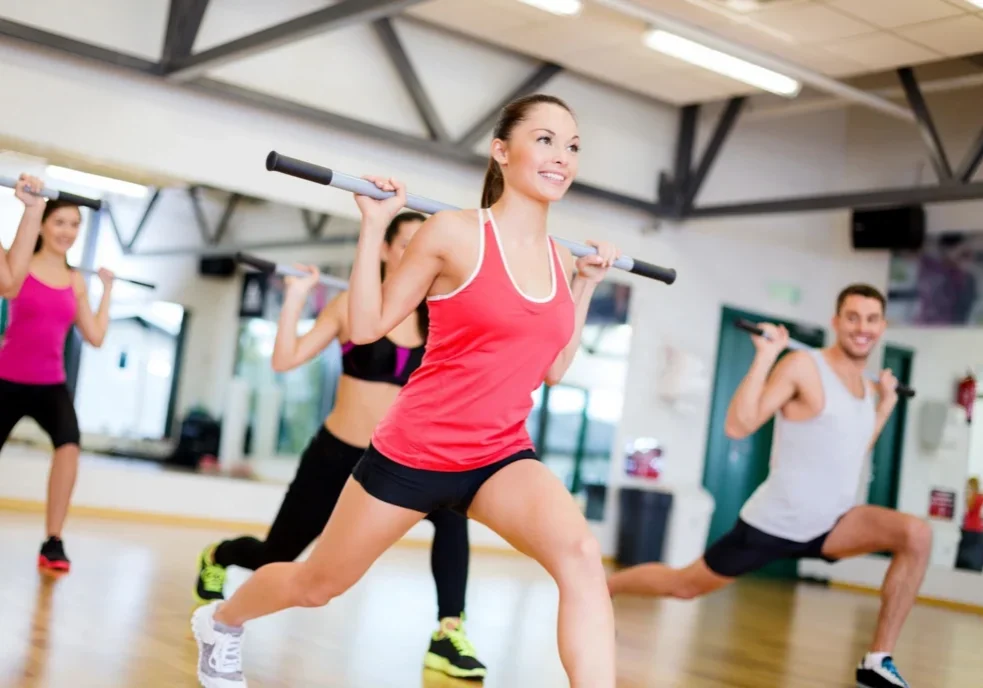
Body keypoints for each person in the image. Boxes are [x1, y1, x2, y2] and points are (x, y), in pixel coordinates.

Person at [192, 93, 621, 688]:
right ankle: (222, 621)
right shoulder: (452, 234)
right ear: (502, 151)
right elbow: (369, 325)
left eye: (572, 146)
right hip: (416, 450)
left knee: (579, 557)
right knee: (317, 584)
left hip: (499, 454)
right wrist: (372, 228)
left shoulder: (557, 256)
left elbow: (552, 369)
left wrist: (585, 286)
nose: (562, 156)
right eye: (545, 139)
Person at [191, 212, 487, 680]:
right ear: (387, 250)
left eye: (424, 244)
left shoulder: (439, 315)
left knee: (453, 520)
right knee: (277, 558)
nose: (417, 253)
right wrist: (295, 298)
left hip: (404, 460)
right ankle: (220, 556)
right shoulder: (354, 306)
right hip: (337, 456)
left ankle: (449, 630)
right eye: (406, 242)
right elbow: (286, 359)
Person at [607, 284, 931, 688]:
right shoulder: (803, 367)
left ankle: (877, 660)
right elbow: (738, 425)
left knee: (916, 534)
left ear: (882, 326)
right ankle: (606, 588)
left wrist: (882, 408)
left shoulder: (867, 388)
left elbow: (851, 451)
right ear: (836, 322)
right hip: (775, 523)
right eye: (852, 317)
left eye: (871, 319)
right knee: (684, 586)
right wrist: (765, 358)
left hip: (832, 523)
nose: (861, 328)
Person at [0, 175, 114, 572]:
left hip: (51, 384)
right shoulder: (20, 264)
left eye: (74, 225)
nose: (67, 231)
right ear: (44, 224)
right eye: (60, 222)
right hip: (7, 378)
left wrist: (108, 291)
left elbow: (96, 337)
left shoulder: (75, 280)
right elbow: (8, 286)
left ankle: (53, 541)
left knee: (69, 447)